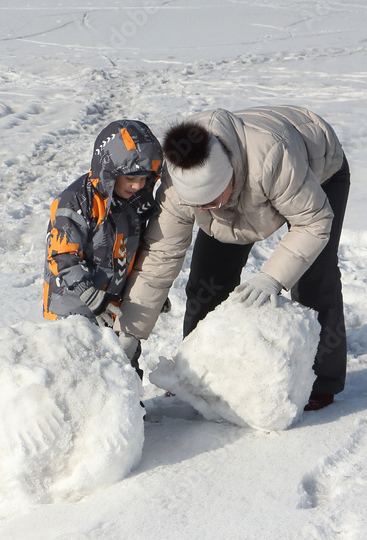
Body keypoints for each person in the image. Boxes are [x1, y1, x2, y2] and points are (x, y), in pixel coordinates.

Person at [116, 106, 349, 410]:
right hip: (249, 183)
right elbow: (160, 255)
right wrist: (131, 331)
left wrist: (272, 277)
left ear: (229, 178)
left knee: (316, 279)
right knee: (206, 281)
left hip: (318, 169)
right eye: (199, 206)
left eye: (212, 201)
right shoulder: (178, 185)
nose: (208, 209)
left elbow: (313, 222)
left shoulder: (273, 159)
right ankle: (197, 371)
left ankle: (321, 381)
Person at [42, 119, 162, 372]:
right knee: (81, 368)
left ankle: (131, 410)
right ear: (110, 169)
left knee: (124, 366)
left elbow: (136, 252)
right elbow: (63, 256)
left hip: (114, 303)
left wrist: (150, 289)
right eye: (130, 177)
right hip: (73, 306)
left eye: (144, 178)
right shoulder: (75, 202)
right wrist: (89, 294)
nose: (138, 185)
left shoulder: (135, 203)